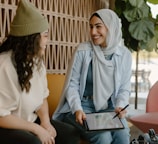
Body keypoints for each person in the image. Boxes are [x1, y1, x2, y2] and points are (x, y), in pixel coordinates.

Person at [0, 0, 80, 144]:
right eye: (45, 35)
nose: (47, 41)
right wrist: (36, 129)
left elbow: (42, 97)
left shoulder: (37, 62)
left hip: (29, 120)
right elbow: (1, 116)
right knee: (34, 142)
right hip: (5, 126)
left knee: (69, 134)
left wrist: (46, 123)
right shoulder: (4, 65)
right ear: (31, 39)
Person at [53, 8, 132, 144]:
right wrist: (77, 109)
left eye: (98, 27)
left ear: (110, 27)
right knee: (103, 137)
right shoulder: (83, 51)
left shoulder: (124, 54)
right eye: (91, 27)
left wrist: (120, 106)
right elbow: (72, 85)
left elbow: (124, 88)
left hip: (109, 108)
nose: (93, 32)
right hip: (81, 107)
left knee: (123, 133)